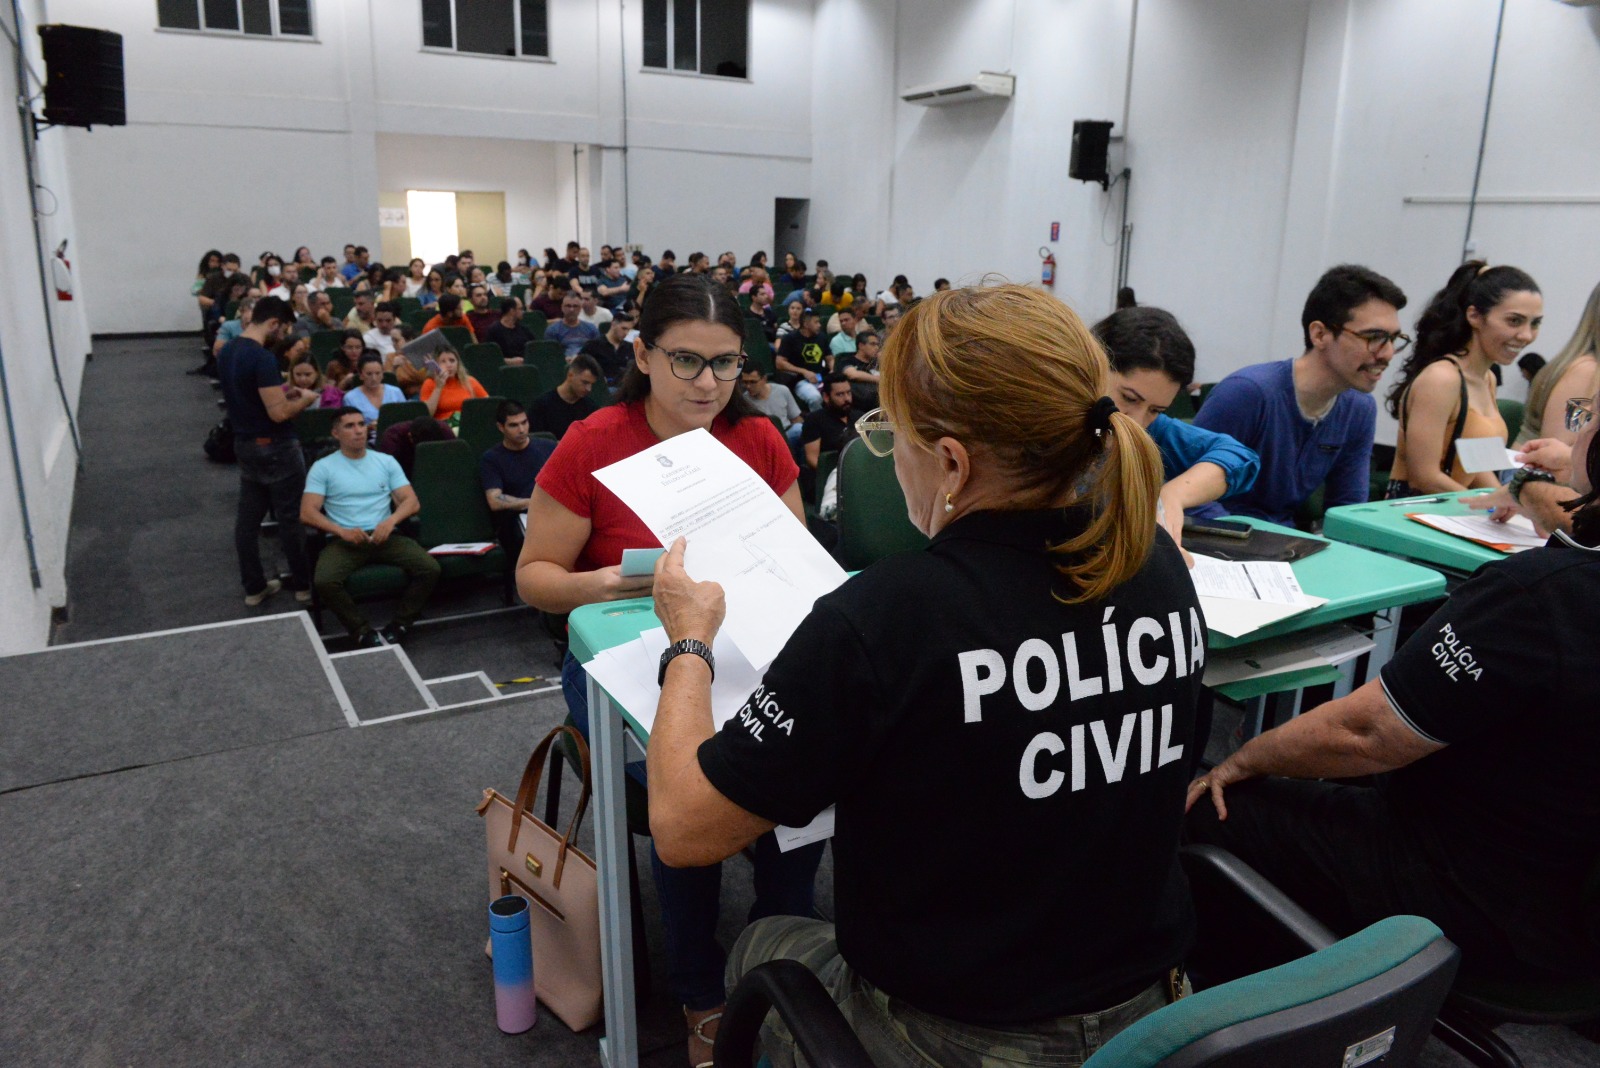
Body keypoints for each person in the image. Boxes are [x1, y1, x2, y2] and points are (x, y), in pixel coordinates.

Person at [645, 282, 1203, 1068]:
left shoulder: (890, 614)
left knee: (765, 942)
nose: (886, 450)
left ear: (950, 462)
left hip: (963, 1032)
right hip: (1157, 1015)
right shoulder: (1155, 563)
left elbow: (682, 828)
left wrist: (690, 644)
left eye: (890, 433)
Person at [1187, 378, 1600, 982]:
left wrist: (1238, 761)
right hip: (1570, 915)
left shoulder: (1539, 595)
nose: (1578, 429)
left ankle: (1246, 1019)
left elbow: (1367, 734)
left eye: (1588, 419)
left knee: (1205, 808)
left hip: (1466, 896)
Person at [517, 273, 821, 1068]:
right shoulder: (594, 439)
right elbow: (536, 576)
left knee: (797, 776)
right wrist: (614, 580)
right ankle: (701, 993)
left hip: (738, 650)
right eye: (686, 361)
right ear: (643, 354)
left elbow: (789, 563)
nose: (708, 383)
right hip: (622, 660)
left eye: (726, 365)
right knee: (681, 800)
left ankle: (778, 964)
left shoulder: (756, 438)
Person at [1193, 265, 1408, 525]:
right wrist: (1250, 541)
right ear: (1319, 334)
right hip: (1217, 541)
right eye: (1374, 337)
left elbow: (1349, 511)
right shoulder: (1247, 393)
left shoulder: (1359, 409)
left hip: (1284, 543)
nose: (1386, 354)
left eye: (1393, 339)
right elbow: (1187, 493)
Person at [1092, 307, 1260, 557]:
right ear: (1092, 365)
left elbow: (1240, 458)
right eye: (1128, 398)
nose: (1137, 422)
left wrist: (1173, 494)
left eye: (1155, 410)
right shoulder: (1044, 424)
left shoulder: (1154, 430)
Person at [1385, 263, 1541, 497]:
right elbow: (1424, 477)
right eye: (1514, 321)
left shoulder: (1486, 378)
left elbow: (1477, 466)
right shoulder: (1442, 378)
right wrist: (1492, 504)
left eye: (1535, 323)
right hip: (1412, 512)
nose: (1526, 335)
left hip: (1453, 509)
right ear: (1475, 316)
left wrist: (1508, 504)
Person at [301, 407, 440, 647]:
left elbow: (411, 501)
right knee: (324, 581)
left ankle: (401, 623)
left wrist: (391, 521)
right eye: (350, 426)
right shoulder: (323, 467)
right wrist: (340, 531)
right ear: (336, 433)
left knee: (430, 568)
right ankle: (361, 631)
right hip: (346, 540)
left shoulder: (385, 461)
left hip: (385, 535)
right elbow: (307, 512)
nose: (358, 431)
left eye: (361, 425)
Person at [218, 297, 317, 606]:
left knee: (247, 522)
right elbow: (278, 415)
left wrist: (284, 392)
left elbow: (252, 396)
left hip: (245, 445)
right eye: (282, 328)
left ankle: (254, 587)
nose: (282, 334)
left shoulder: (228, 351)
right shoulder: (262, 358)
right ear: (273, 323)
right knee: (290, 519)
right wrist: (306, 398)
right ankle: (303, 585)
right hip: (275, 447)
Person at [480, 400, 558, 561]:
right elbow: (494, 500)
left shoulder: (549, 447)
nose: (522, 430)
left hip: (554, 511)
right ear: (501, 427)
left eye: (524, 423)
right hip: (518, 519)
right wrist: (533, 503)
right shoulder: (492, 458)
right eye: (513, 425)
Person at [798, 374, 857, 496]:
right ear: (826, 397)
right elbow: (812, 458)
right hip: (830, 480)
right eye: (840, 394)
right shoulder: (814, 420)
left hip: (858, 473)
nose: (847, 399)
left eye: (848, 393)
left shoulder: (859, 417)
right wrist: (838, 475)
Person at [528, 354, 602, 439]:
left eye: (591, 384)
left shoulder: (591, 408)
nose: (589, 389)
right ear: (570, 375)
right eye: (585, 383)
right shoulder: (541, 406)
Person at [419, 349, 489, 426]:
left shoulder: (469, 381)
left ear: (458, 364)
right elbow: (426, 415)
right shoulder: (429, 383)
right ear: (436, 365)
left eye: (452, 361)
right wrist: (438, 388)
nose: (449, 365)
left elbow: (489, 405)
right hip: (442, 426)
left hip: (468, 424)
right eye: (443, 361)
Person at [775, 308, 828, 410]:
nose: (819, 325)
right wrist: (804, 372)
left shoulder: (822, 337)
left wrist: (833, 369)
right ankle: (818, 422)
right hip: (800, 380)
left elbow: (830, 358)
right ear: (806, 324)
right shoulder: (790, 338)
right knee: (815, 398)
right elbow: (779, 363)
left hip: (821, 377)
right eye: (816, 322)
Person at [739, 364, 803, 446]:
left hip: (786, 432)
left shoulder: (782, 390)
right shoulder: (745, 401)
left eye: (753, 382)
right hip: (764, 438)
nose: (748, 386)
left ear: (764, 379)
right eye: (745, 382)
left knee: (800, 429)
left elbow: (796, 418)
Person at [378, 413, 454, 477]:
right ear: (410, 437)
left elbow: (455, 461)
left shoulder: (444, 431)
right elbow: (386, 473)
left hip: (439, 472)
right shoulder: (392, 438)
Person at [342, 352, 404, 429]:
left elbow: (404, 418)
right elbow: (349, 426)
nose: (374, 378)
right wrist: (368, 427)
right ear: (361, 375)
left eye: (378, 373)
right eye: (369, 374)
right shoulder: (350, 398)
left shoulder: (395, 392)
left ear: (382, 374)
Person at [579, 306, 637, 383]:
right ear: (613, 324)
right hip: (600, 386)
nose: (626, 333)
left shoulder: (630, 348)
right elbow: (580, 367)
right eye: (623, 328)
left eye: (629, 330)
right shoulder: (593, 345)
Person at [834, 329, 882, 412]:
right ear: (861, 346)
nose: (877, 348)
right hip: (861, 404)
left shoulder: (877, 363)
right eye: (873, 344)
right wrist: (878, 379)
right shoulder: (847, 360)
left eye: (878, 345)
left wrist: (883, 360)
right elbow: (852, 374)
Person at [545, 292, 600, 357]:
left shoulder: (591, 328)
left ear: (580, 309)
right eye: (568, 306)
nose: (572, 309)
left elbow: (597, 352)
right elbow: (552, 356)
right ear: (562, 308)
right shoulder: (552, 330)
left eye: (575, 306)